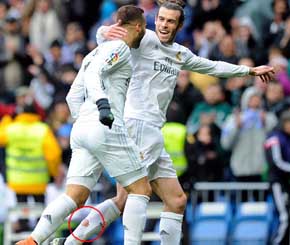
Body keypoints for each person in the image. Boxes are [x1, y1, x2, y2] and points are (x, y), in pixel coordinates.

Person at [54, 1, 275, 245]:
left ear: (180, 25)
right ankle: (72, 242)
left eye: (170, 21)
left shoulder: (180, 53)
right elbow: (110, 41)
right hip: (136, 124)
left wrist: (249, 71)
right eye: (160, 19)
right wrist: (101, 32)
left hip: (152, 132)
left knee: (177, 200)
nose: (163, 25)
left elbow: (213, 67)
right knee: (123, 199)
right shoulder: (143, 39)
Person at [16, 5, 150, 245]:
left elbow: (71, 96)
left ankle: (34, 240)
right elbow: (94, 75)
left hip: (83, 128)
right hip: (105, 124)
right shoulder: (119, 48)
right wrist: (102, 106)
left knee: (75, 196)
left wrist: (84, 122)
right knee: (141, 190)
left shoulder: (92, 54)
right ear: (139, 27)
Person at [0, 100, 62, 232]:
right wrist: (54, 172)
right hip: (39, 181)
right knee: (40, 209)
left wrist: (6, 119)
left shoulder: (11, 128)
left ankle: (22, 228)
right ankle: (41, 231)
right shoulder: (43, 130)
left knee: (21, 206)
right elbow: (54, 155)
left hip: (17, 182)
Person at [265, 110, 290, 245]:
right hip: (278, 183)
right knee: (284, 217)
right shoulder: (274, 138)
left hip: (286, 182)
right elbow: (277, 162)